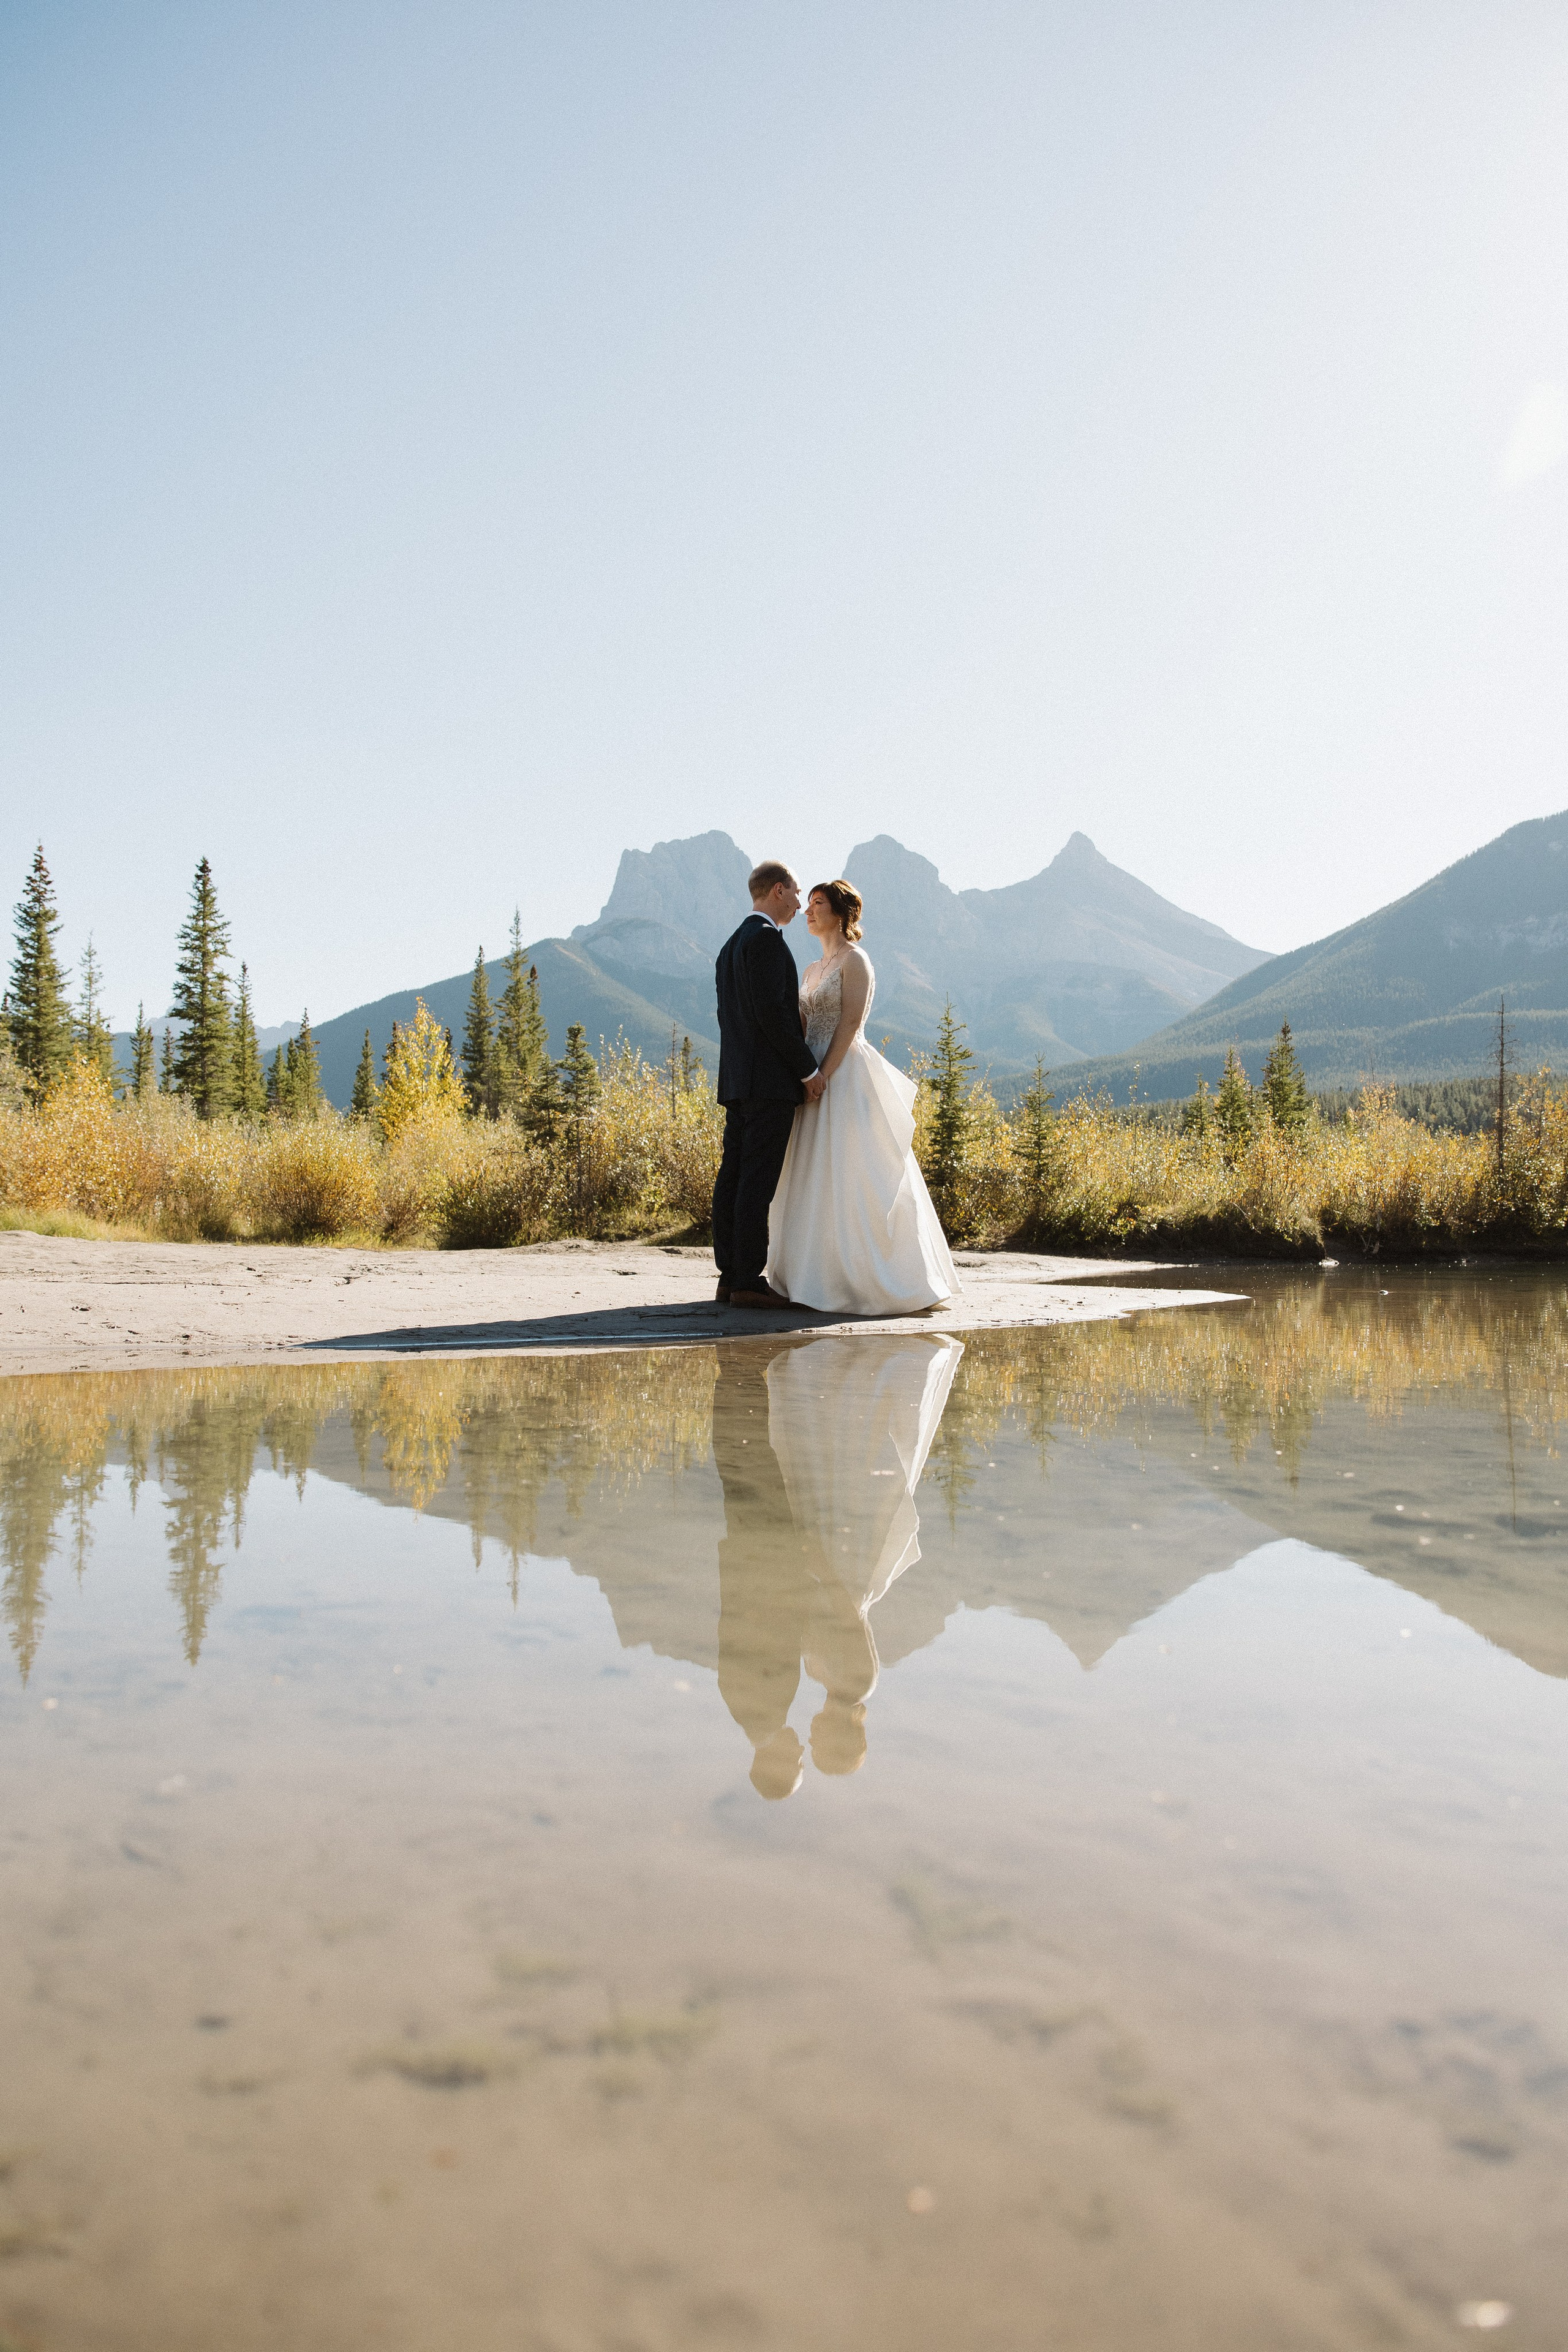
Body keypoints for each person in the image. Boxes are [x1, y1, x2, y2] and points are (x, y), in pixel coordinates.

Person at [764, 878, 959, 1317]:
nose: (808, 911)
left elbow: (851, 1023)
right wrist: (802, 1071)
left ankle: (873, 1279)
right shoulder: (810, 970)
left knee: (856, 1171)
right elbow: (801, 1027)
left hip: (844, 1072)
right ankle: (813, 1277)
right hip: (810, 1073)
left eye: (817, 903)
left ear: (841, 912)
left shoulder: (856, 961)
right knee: (810, 1175)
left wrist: (823, 1075)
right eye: (808, 904)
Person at [712, 861, 824, 1309]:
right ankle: (747, 1280)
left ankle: (729, 1277)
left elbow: (730, 1019)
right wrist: (808, 1072)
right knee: (757, 1182)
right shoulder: (766, 941)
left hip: (738, 1080)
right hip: (769, 1083)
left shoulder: (730, 946)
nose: (799, 903)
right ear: (778, 890)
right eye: (796, 893)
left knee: (733, 1176)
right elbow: (774, 1017)